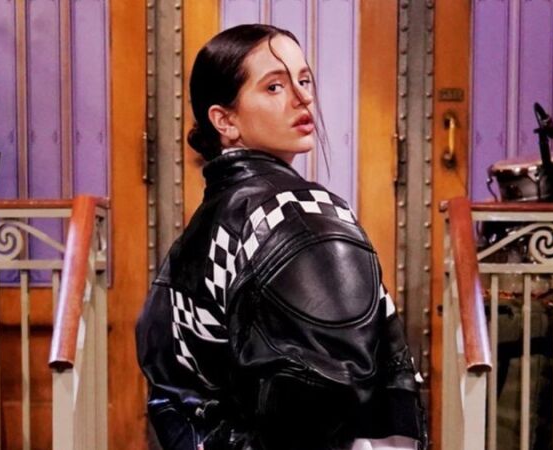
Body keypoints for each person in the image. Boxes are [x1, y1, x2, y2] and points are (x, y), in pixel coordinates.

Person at [136, 24, 424, 450]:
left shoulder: (201, 232)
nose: (303, 98)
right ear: (225, 120)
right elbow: (330, 399)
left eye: (303, 80)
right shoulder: (297, 213)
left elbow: (174, 391)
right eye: (274, 86)